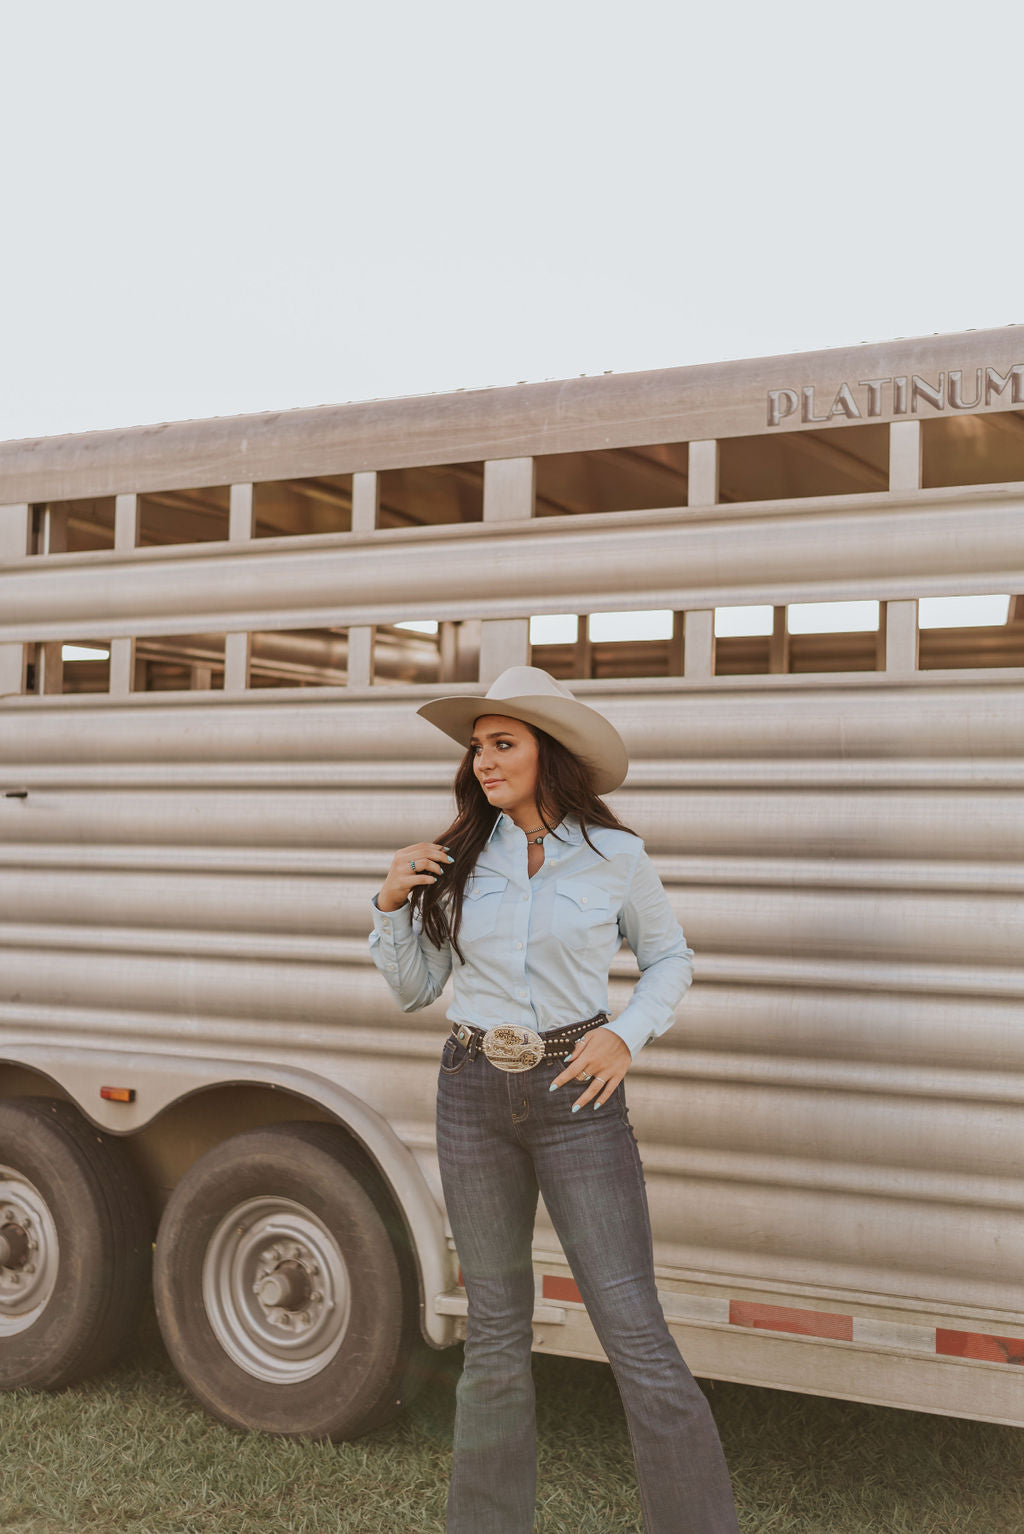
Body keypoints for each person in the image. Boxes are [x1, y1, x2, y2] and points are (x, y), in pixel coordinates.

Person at [369, 665, 740, 1534]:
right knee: (494, 1336)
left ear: (551, 753)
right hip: (470, 1091)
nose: (485, 761)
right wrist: (388, 904)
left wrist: (626, 1033)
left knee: (635, 1335)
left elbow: (671, 959)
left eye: (505, 744)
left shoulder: (617, 856)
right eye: (479, 746)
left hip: (577, 1095)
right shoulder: (455, 856)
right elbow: (416, 989)